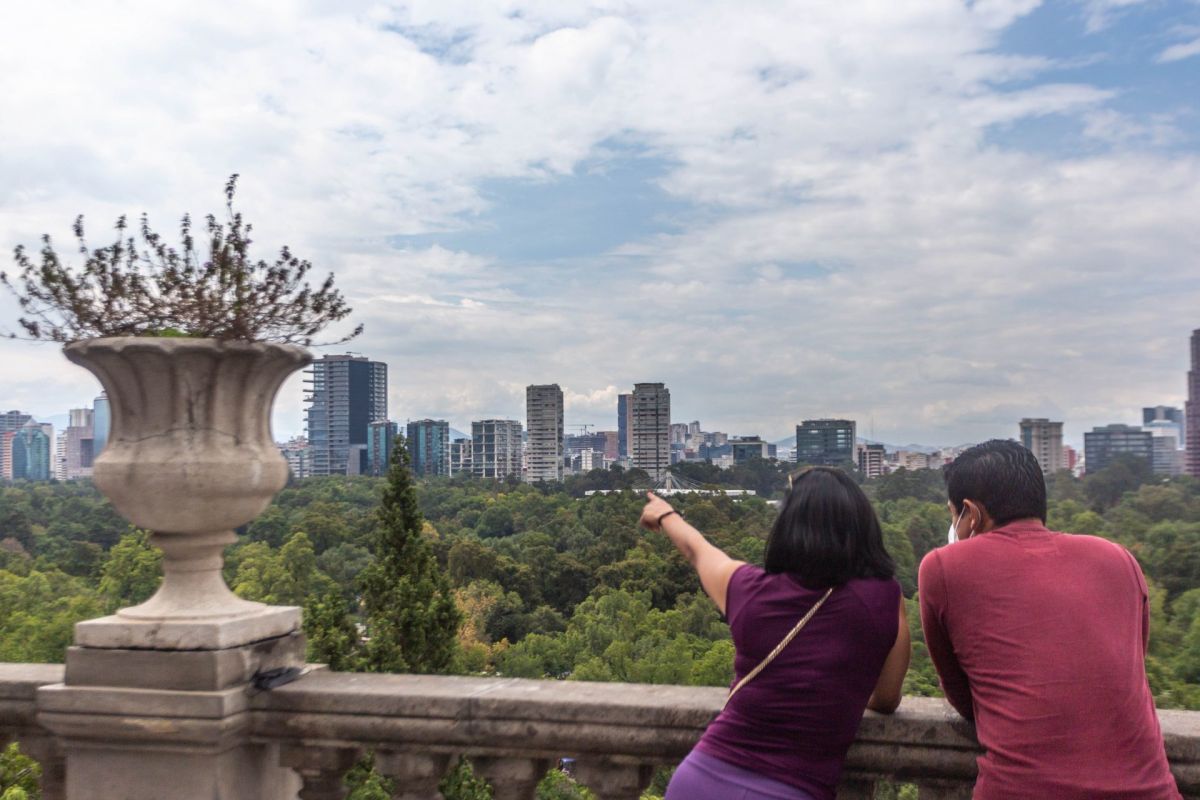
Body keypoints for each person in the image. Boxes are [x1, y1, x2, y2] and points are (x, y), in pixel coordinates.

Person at [919, 440, 1180, 799]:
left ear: (970, 514)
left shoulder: (943, 568)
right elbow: (1131, 665)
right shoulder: (1119, 559)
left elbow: (965, 698)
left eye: (953, 516)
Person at [640, 466, 910, 800]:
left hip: (700, 779)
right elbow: (886, 699)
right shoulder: (882, 597)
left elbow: (698, 550)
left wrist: (665, 514)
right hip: (793, 789)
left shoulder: (748, 589)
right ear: (861, 527)